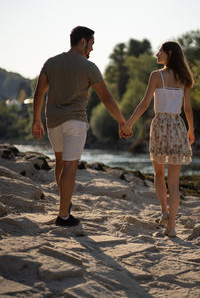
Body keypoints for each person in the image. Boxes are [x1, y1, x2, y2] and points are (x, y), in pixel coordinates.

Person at [32, 26, 131, 227]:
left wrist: (36, 120)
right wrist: (122, 121)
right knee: (70, 166)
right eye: (91, 44)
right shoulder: (89, 67)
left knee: (60, 162)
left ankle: (64, 206)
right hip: (75, 122)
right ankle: (63, 215)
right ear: (83, 41)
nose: (91, 50)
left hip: (53, 122)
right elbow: (107, 99)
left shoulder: (51, 63)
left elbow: (39, 93)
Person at [120, 41, 195, 237]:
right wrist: (191, 129)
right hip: (178, 126)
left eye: (159, 51)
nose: (156, 54)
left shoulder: (156, 75)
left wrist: (129, 123)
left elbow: (145, 103)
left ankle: (164, 211)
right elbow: (187, 109)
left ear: (168, 53)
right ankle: (171, 227)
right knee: (175, 182)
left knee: (159, 173)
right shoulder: (184, 78)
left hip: (161, 126)